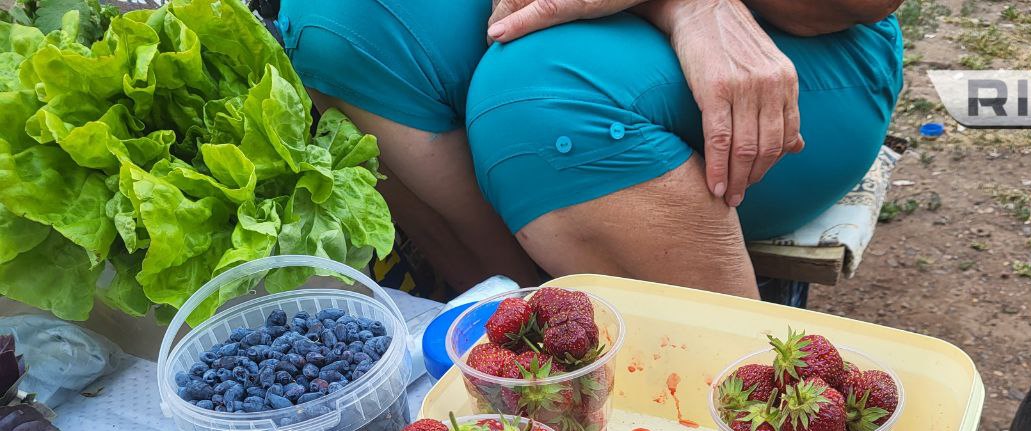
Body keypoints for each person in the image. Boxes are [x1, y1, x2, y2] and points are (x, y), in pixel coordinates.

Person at [274, 0, 903, 298]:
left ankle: (738, 430)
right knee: (342, 28)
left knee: (540, 104)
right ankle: (528, 336)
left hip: (796, 30)